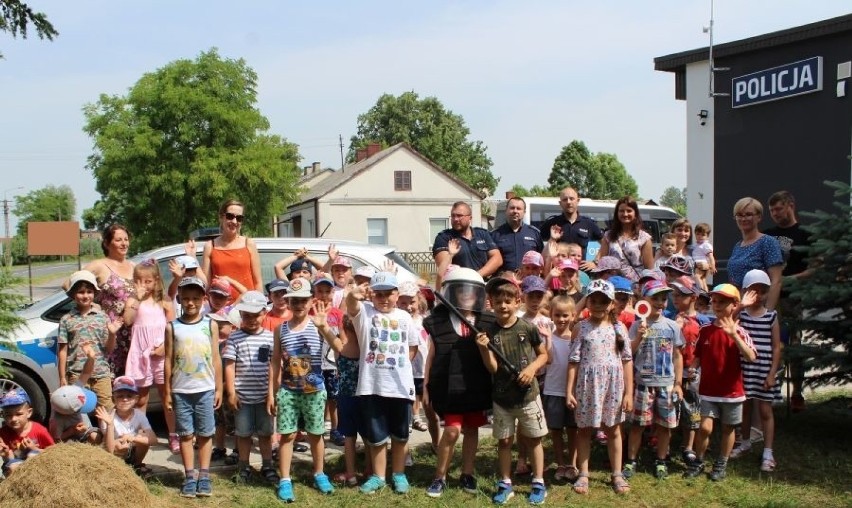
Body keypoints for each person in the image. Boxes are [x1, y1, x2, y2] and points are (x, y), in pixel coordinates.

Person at [476, 276, 549, 505]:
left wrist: (531, 370)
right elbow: (493, 368)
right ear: (492, 303)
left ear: (518, 302)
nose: (503, 306)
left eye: (508, 301)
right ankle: (505, 482)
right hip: (502, 398)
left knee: (534, 440)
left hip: (528, 396)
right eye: (498, 302)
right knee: (504, 442)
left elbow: (544, 355)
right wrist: (484, 349)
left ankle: (538, 482)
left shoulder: (527, 327)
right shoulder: (489, 332)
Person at [422, 268, 495, 498]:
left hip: (476, 386)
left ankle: (467, 473)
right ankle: (440, 476)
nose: (466, 295)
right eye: (460, 291)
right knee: (452, 431)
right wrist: (426, 386)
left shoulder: (486, 322)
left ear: (478, 295)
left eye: (470, 292)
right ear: (450, 292)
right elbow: (431, 357)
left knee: (472, 430)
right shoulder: (438, 322)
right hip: (449, 389)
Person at [345, 271, 419, 495]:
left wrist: (402, 365)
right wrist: (353, 293)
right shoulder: (365, 313)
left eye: (389, 293)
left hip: (399, 387)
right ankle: (378, 476)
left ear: (397, 294)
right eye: (379, 294)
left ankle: (398, 474)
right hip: (371, 385)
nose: (384, 299)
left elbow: (412, 346)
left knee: (400, 435)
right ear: (371, 295)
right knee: (376, 437)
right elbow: (350, 304)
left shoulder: (405, 317)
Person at [269, 279, 335, 501]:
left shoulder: (318, 325)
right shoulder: (280, 329)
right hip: (288, 391)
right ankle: (285, 479)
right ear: (288, 302)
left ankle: (319, 473)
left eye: (303, 300)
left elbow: (338, 348)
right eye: (294, 300)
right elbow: (276, 362)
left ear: (311, 301)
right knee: (286, 435)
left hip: (314, 391)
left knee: (316, 435)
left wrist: (324, 326)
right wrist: (272, 392)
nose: (298, 304)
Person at [565, 280, 633, 496]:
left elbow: (627, 361)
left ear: (611, 304)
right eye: (593, 300)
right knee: (584, 431)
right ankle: (583, 474)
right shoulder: (580, 327)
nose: (597, 305)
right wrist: (569, 390)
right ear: (587, 302)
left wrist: (629, 392)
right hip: (587, 386)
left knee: (614, 431)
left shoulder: (619, 328)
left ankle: (617, 473)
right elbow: (573, 361)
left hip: (613, 387)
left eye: (603, 301)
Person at [683, 284, 757, 481]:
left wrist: (734, 335)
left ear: (734, 305)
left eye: (722, 302)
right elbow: (698, 354)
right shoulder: (705, 329)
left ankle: (721, 462)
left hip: (732, 392)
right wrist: (693, 366)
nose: (716, 305)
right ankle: (699, 460)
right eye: (714, 301)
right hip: (708, 391)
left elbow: (751, 356)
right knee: (705, 427)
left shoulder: (740, 331)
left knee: (728, 428)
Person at [164, 276, 223, 498]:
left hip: (205, 390)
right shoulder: (172, 327)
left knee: (206, 434)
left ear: (203, 299)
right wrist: (168, 392)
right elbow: (168, 360)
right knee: (186, 435)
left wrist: (218, 388)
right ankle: (189, 475)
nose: (191, 303)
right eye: (186, 298)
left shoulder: (211, 324)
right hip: (181, 390)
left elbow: (216, 358)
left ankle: (204, 475)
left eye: (196, 298)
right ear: (179, 299)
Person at [623, 280, 684, 481]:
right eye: (655, 298)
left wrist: (677, 383)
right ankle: (631, 460)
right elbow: (628, 353)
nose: (660, 302)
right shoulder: (636, 325)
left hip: (666, 384)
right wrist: (638, 337)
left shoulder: (672, 326)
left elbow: (677, 355)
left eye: (663, 299)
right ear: (644, 301)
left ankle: (661, 460)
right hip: (643, 384)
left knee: (665, 426)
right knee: (638, 425)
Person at [223, 290, 278, 486]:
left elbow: (274, 365)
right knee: (243, 435)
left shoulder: (271, 338)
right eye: (247, 315)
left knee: (265, 434)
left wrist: (272, 394)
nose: (252, 319)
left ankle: (268, 465)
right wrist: (231, 392)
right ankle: (243, 466)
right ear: (241, 316)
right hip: (243, 397)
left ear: (264, 313)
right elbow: (229, 365)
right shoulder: (235, 338)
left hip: (265, 397)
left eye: (256, 315)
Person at [764, 190, 812, 412]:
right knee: (774, 345)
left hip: (793, 299)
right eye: (772, 210)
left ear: (790, 205)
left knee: (794, 345)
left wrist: (788, 279)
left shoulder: (805, 234)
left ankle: (797, 392)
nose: (774, 213)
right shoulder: (767, 235)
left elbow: (816, 267)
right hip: (769, 298)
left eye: (779, 208)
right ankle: (773, 389)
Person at [730, 270, 782, 472]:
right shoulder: (741, 314)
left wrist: (771, 374)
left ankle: (768, 452)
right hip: (744, 370)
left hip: (764, 370)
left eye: (762, 291)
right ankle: (745, 442)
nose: (758, 295)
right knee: (745, 408)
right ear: (745, 292)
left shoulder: (771, 316)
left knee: (765, 411)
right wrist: (741, 305)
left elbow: (776, 347)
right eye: (754, 291)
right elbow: (727, 323)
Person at [68, 224, 136, 377]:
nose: (124, 243)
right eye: (118, 240)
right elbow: (68, 284)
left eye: (126, 239)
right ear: (106, 243)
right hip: (110, 336)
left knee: (129, 389)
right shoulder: (99, 265)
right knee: (109, 387)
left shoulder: (133, 266)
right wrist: (89, 306)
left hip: (133, 335)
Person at [123, 260, 177, 452]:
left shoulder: (163, 300)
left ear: (155, 281)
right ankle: (141, 434)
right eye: (138, 281)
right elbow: (128, 321)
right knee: (142, 398)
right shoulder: (132, 301)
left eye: (147, 281)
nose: (143, 285)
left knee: (166, 395)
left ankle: (173, 434)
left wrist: (164, 346)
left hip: (162, 355)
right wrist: (136, 300)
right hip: (141, 355)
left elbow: (173, 327)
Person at [57, 270, 121, 409]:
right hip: (77, 374)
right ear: (73, 294)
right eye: (81, 292)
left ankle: (107, 432)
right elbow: (62, 350)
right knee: (77, 411)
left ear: (94, 293)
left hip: (101, 374)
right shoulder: (66, 319)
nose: (85, 296)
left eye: (89, 291)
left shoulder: (102, 317)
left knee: (107, 411)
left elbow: (109, 349)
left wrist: (112, 334)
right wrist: (62, 377)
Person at [666, 275, 710, 465]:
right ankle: (664, 446)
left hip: (693, 371)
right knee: (669, 408)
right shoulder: (669, 318)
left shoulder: (703, 320)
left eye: (680, 295)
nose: (675, 299)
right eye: (674, 295)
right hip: (672, 370)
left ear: (693, 297)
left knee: (692, 408)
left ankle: (688, 446)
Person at [543, 294, 578, 483]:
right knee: (556, 431)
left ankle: (572, 464)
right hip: (552, 390)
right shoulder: (548, 337)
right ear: (551, 315)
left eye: (566, 315)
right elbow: (547, 360)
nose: (561, 319)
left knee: (573, 429)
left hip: (572, 392)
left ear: (573, 315)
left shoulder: (576, 338)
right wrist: (548, 339)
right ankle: (560, 464)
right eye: (557, 315)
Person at [727, 197, 784, 310]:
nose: (743, 218)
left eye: (748, 214)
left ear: (759, 217)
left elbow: (776, 281)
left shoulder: (768, 242)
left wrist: (767, 314)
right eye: (739, 215)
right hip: (739, 308)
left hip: (758, 309)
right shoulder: (737, 246)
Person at [96, 377, 157, 478]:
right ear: (113, 399)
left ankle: (137, 465)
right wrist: (110, 425)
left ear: (136, 399)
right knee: (118, 444)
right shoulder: (108, 416)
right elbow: (109, 449)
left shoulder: (139, 415)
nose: (125, 399)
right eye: (120, 396)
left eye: (129, 396)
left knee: (142, 438)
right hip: (113, 452)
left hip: (131, 449)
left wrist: (133, 438)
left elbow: (154, 440)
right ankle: (116, 467)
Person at [202, 199, 263, 301]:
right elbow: (206, 284)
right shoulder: (210, 246)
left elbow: (258, 282)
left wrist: (260, 306)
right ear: (221, 217)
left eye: (239, 218)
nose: (234, 222)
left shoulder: (249, 244)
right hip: (220, 310)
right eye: (230, 216)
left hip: (248, 309)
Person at [311, 274, 346, 447]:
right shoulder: (309, 312)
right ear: (313, 292)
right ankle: (317, 430)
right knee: (317, 397)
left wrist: (341, 362)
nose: (323, 295)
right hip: (313, 364)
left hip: (332, 364)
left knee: (334, 398)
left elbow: (343, 339)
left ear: (333, 293)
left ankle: (336, 429)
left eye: (327, 291)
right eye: (319, 291)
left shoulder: (338, 314)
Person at [433, 201, 502, 286]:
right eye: (453, 216)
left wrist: (476, 275)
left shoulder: (482, 234)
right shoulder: (444, 237)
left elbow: (497, 259)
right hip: (457, 287)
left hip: (481, 285)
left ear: (470, 218)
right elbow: (444, 269)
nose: (455, 219)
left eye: (459, 216)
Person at [595, 196, 654, 282]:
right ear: (617, 213)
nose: (625, 214)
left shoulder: (644, 238)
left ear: (635, 214)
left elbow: (649, 270)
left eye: (629, 211)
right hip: (612, 283)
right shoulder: (608, 236)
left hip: (635, 285)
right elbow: (602, 262)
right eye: (621, 211)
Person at [539, 187, 603, 265]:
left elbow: (605, 243)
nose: (568, 202)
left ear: (578, 201)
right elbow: (537, 246)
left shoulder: (588, 223)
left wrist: (595, 262)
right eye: (565, 199)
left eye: (572, 199)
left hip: (580, 273)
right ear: (560, 203)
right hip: (558, 272)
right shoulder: (552, 223)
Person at [0, 389, 54, 476]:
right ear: (3, 415)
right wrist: (6, 454)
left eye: (18, 414)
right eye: (8, 415)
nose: (13, 419)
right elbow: (9, 459)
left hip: (37, 466)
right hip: (14, 463)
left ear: (28, 413)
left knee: (31, 456)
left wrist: (34, 449)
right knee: (13, 467)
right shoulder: (3, 433)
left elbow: (53, 450)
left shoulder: (39, 430)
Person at [491, 196, 544, 274]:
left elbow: (541, 258)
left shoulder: (534, 233)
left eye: (518, 208)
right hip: (504, 282)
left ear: (524, 212)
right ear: (506, 211)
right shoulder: (495, 235)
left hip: (528, 280)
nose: (515, 211)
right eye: (512, 208)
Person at [692, 223, 716, 291]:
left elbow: (711, 256)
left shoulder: (706, 245)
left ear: (707, 236)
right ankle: (706, 292)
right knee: (703, 279)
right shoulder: (696, 245)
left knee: (697, 277)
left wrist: (713, 266)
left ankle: (701, 291)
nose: (700, 236)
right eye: (698, 234)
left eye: (703, 235)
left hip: (702, 264)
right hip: (698, 264)